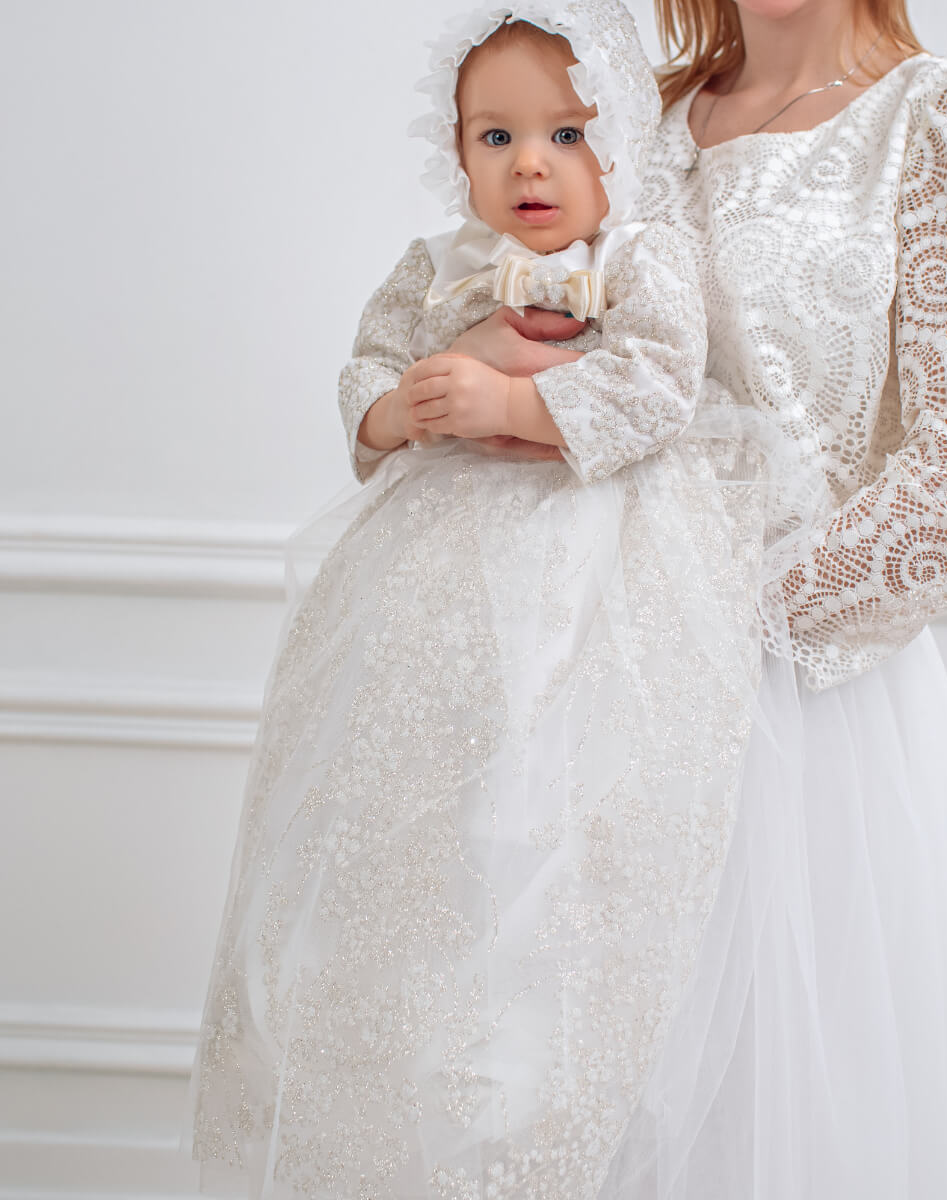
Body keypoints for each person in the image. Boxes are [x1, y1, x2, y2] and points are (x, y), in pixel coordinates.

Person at [184, 3, 827, 1196]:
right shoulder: (433, 269)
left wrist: (514, 407)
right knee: (413, 786)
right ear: (458, 151)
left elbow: (655, 388)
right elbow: (368, 372)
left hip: (603, 569)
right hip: (432, 578)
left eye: (568, 133)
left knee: (560, 808)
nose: (530, 162)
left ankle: (531, 1100)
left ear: (624, 140)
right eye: (495, 137)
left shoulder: (647, 261)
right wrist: (402, 410)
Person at [449, 1, 947, 1198]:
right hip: (577, 698)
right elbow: (548, 340)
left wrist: (712, 626)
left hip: (797, 720)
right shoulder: (631, 115)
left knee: (771, 1126)